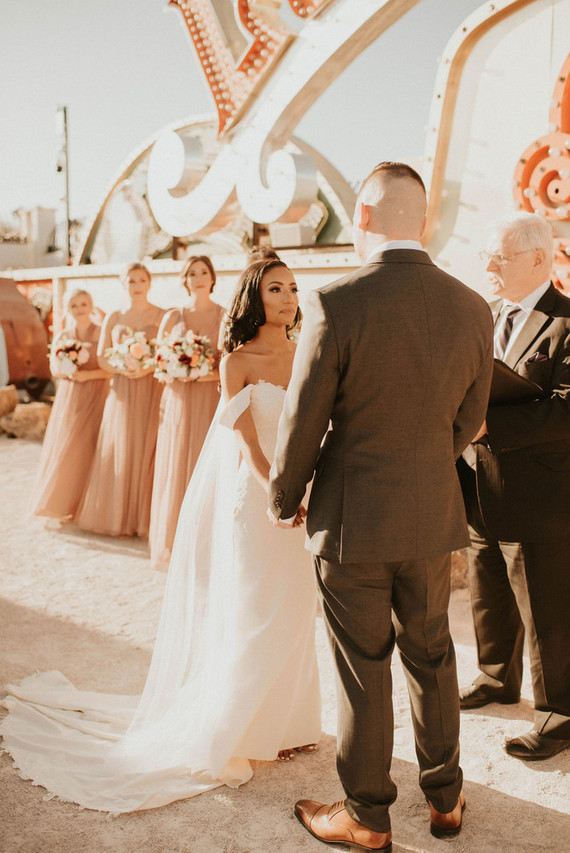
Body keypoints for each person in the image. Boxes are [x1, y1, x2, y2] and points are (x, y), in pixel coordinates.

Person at [0, 257, 320, 812]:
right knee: (254, 607)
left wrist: (313, 487)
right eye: (276, 288)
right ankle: (241, 728)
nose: (289, 297)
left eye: (293, 287)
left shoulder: (309, 353)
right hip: (260, 497)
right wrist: (281, 491)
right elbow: (245, 442)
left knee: (294, 607)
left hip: (307, 498)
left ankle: (288, 723)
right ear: (254, 296)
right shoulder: (236, 361)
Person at [268, 162, 494, 849]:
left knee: (363, 668)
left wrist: (284, 495)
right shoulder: (472, 306)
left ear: (361, 216)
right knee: (432, 657)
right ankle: (447, 798)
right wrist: (426, 460)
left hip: (352, 523)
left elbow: (302, 422)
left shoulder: (336, 301)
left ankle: (367, 816)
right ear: (420, 219)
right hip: (430, 517)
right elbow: (471, 421)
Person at [456, 211, 570, 760]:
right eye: (487, 255)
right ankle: (496, 676)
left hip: (541, 493)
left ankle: (559, 713)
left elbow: (566, 411)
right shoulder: (484, 315)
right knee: (487, 586)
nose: (488, 265)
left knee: (546, 604)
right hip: (479, 482)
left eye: (499, 256)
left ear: (539, 259)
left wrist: (487, 424)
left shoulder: (567, 322)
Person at [75, 263, 165, 538]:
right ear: (123, 285)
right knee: (123, 448)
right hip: (123, 390)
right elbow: (102, 355)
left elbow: (164, 353)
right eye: (131, 281)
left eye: (141, 280)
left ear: (149, 283)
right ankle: (120, 518)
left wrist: (147, 367)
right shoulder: (114, 316)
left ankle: (146, 520)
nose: (136, 285)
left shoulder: (162, 315)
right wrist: (123, 368)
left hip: (151, 387)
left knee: (149, 447)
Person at [149, 255, 224, 569]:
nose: (198, 277)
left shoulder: (224, 314)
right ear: (184, 279)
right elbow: (159, 363)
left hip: (208, 396)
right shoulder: (172, 316)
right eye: (192, 273)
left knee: (204, 464)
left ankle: (207, 543)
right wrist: (179, 370)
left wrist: (197, 373)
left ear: (212, 276)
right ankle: (173, 541)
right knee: (177, 465)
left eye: (203, 271)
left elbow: (226, 365)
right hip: (178, 401)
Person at [30, 289, 110, 520]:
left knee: (96, 446)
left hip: (98, 395)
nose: (80, 308)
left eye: (84, 303)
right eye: (74, 305)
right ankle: (66, 503)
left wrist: (88, 376)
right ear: (69, 309)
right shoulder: (64, 335)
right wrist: (68, 370)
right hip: (71, 397)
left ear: (91, 305)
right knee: (71, 446)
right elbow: (54, 368)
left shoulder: (101, 332)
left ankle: (93, 506)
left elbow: (110, 371)